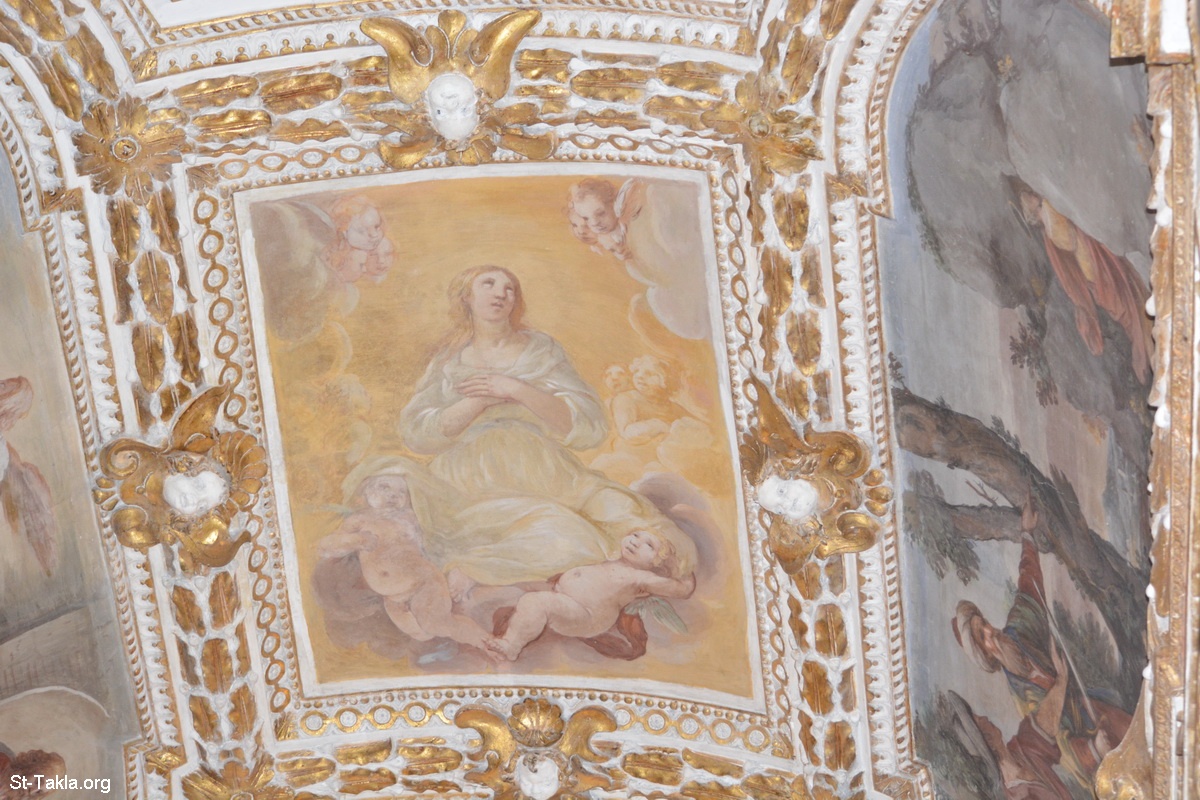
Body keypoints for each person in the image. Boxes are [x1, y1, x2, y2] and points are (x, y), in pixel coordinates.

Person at [393, 265, 698, 589]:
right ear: (466, 297)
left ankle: (666, 573)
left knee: (623, 513)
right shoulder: (449, 361)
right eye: (489, 284)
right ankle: (478, 570)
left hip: (543, 464)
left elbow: (588, 425)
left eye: (509, 288)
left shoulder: (541, 350)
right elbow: (417, 433)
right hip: (470, 474)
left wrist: (517, 390)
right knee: (566, 539)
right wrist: (479, 401)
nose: (500, 293)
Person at [952, 503, 1130, 784]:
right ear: (986, 655)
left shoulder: (1017, 631)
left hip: (1096, 707)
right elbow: (1059, 744)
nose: (990, 630)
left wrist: (1027, 534)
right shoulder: (1024, 698)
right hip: (1090, 741)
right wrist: (1094, 749)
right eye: (982, 636)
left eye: (983, 623)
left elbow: (1029, 584)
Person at [317, 474, 494, 653]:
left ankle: (487, 643)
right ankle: (474, 629)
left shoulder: (408, 518)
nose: (393, 495)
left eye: (401, 492)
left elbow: (435, 542)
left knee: (437, 623)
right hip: (392, 597)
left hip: (423, 582)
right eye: (385, 487)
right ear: (368, 491)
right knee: (421, 634)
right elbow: (325, 547)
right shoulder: (359, 520)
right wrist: (356, 540)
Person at [1012, 179, 1152, 383]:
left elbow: (1070, 238)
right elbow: (1067, 244)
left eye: (1030, 195)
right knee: (1127, 308)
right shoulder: (1049, 221)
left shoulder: (1049, 217)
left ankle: (1145, 348)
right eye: (1029, 198)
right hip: (1095, 272)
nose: (1032, 196)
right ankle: (1144, 350)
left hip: (1096, 267)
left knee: (1128, 307)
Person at [487, 528, 696, 662]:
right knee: (519, 585)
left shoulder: (641, 577)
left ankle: (511, 645)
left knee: (535, 602)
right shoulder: (611, 558)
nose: (636, 542)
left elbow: (683, 590)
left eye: (649, 545)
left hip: (586, 615)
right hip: (565, 598)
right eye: (635, 535)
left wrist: (684, 565)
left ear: (657, 562)